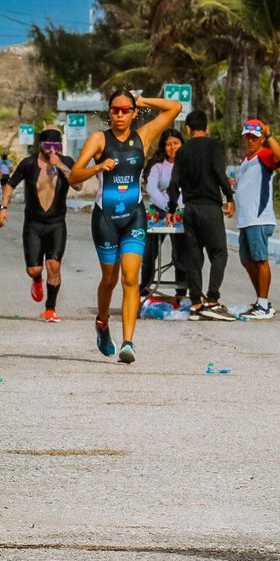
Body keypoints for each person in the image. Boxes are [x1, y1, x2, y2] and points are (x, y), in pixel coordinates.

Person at [69, 90, 182, 362]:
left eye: (125, 109)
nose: (119, 114)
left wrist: (143, 101)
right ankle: (102, 322)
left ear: (133, 112)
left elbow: (174, 107)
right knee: (109, 279)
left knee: (130, 278)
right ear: (110, 112)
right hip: (105, 217)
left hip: (134, 216)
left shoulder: (142, 137)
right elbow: (74, 176)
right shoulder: (99, 139)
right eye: (115, 110)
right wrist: (97, 168)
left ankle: (128, 343)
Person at [166, 109, 236, 321]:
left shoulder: (183, 151)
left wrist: (171, 209)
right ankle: (212, 300)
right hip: (210, 207)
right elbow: (218, 172)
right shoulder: (214, 145)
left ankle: (195, 302)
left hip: (190, 209)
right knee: (219, 253)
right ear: (207, 128)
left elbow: (174, 183)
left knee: (194, 257)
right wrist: (229, 197)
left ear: (187, 129)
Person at [0, 128, 75, 321]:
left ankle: (50, 309)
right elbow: (10, 183)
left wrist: (60, 166)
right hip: (33, 223)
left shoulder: (66, 162)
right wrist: (3, 207)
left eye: (56, 146)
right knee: (34, 269)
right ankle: (36, 280)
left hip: (57, 223)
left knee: (54, 265)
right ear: (40, 144)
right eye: (48, 145)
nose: (52, 150)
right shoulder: (29, 163)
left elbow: (78, 184)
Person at [235, 118, 280, 319]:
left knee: (260, 259)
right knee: (247, 260)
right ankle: (260, 300)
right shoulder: (245, 160)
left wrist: (270, 136)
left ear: (261, 138)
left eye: (254, 137)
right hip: (245, 219)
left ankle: (263, 304)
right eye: (247, 137)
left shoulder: (264, 155)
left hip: (258, 218)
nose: (249, 141)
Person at [140, 128, 186, 298]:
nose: (172, 147)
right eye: (168, 144)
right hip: (160, 212)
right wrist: (169, 207)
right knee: (150, 253)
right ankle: (145, 289)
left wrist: (179, 209)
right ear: (163, 147)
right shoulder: (157, 166)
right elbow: (151, 188)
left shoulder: (189, 163)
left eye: (176, 143)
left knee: (181, 254)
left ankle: (181, 293)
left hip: (182, 214)